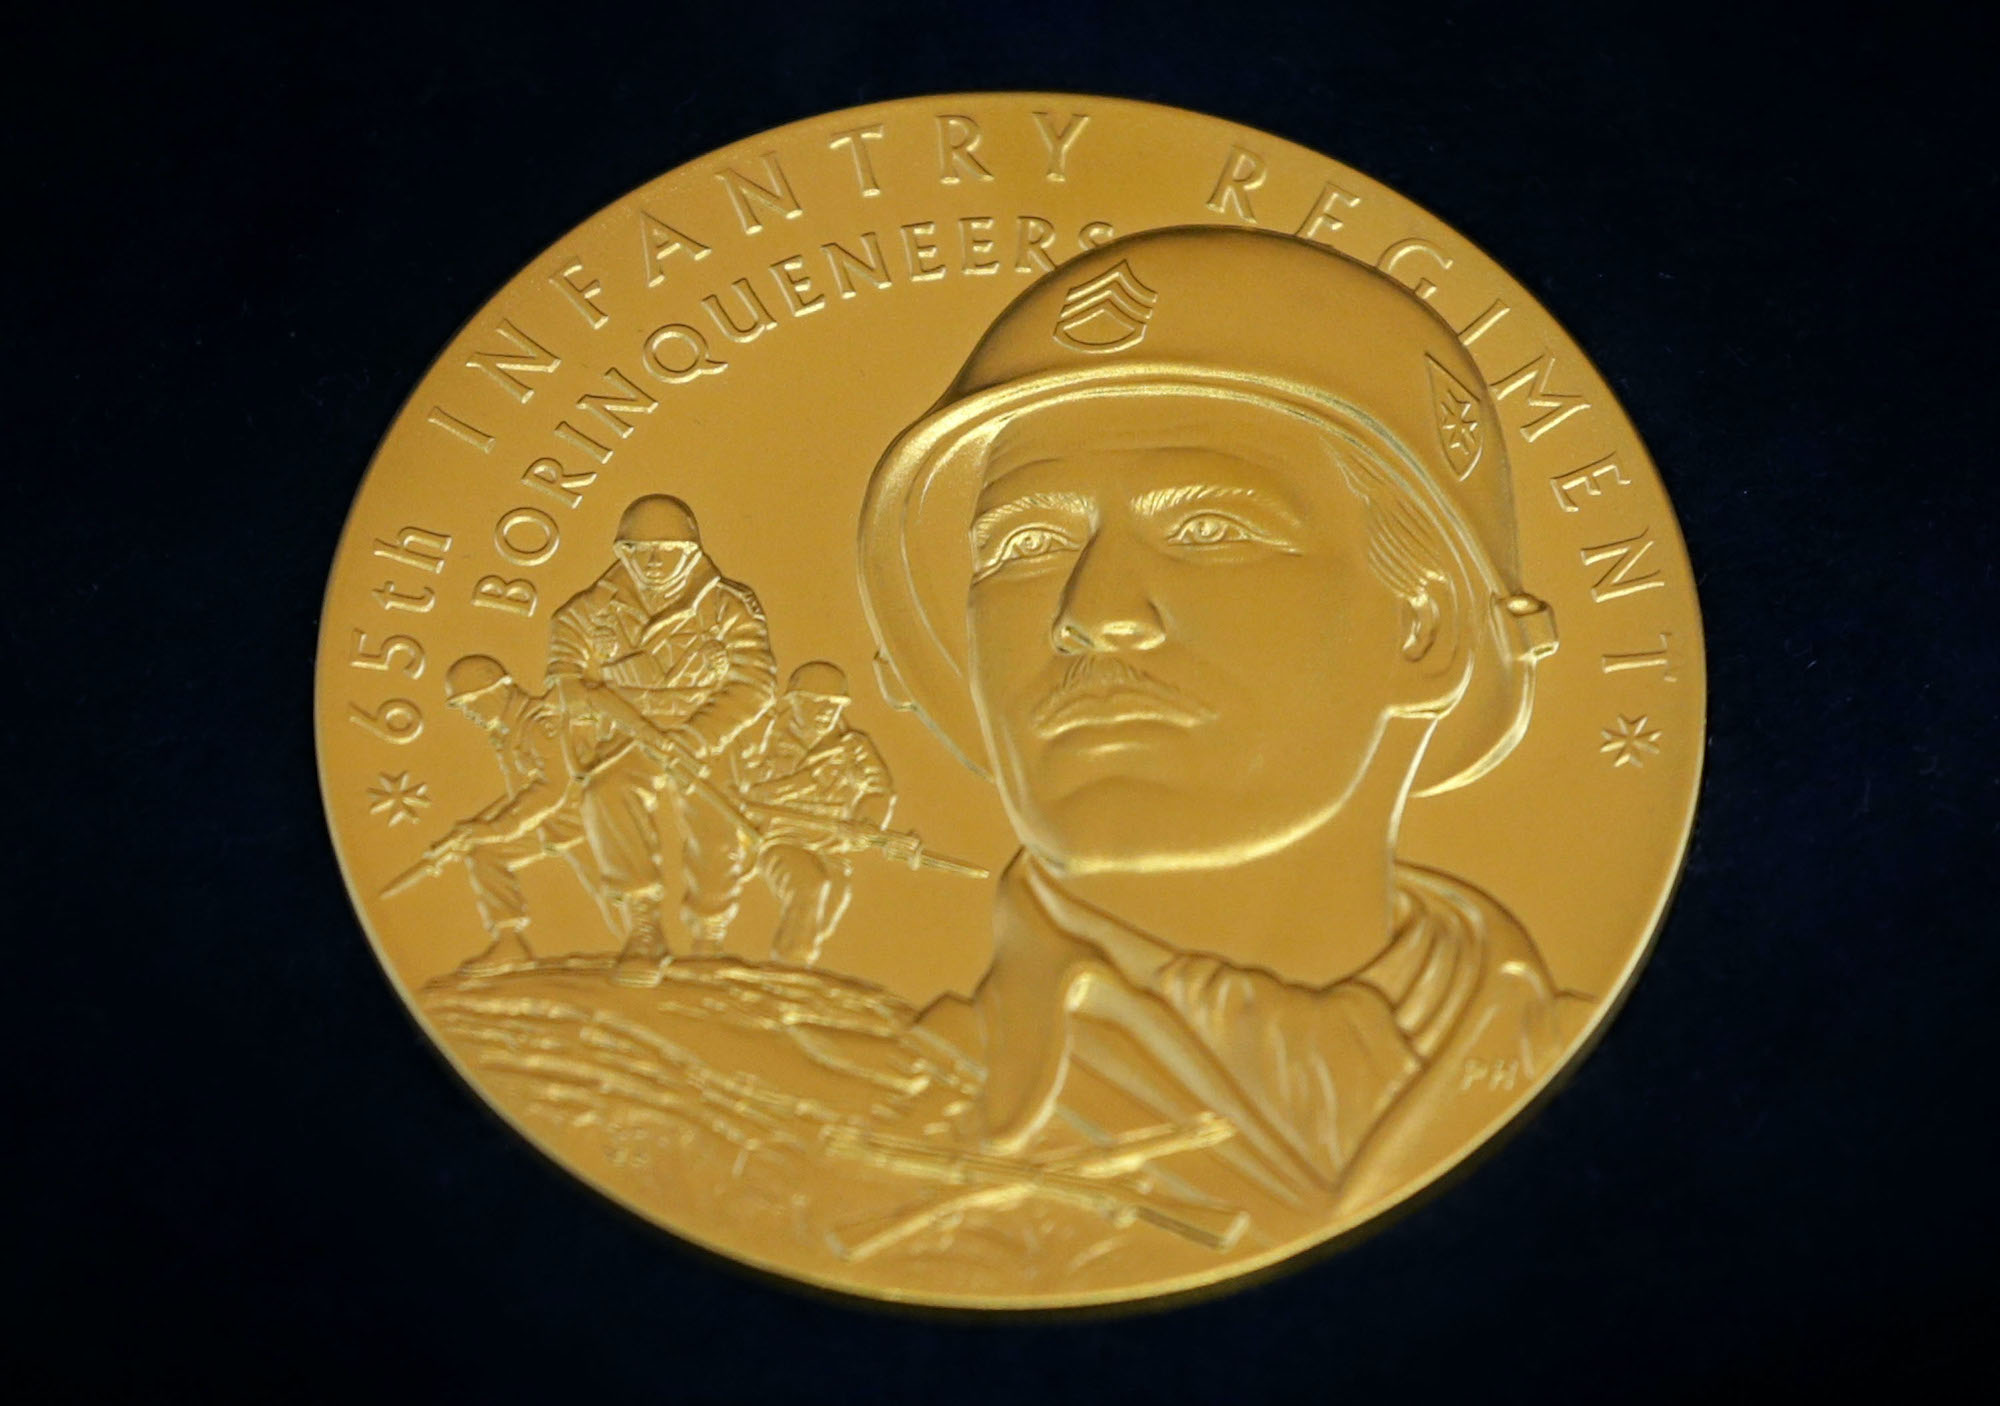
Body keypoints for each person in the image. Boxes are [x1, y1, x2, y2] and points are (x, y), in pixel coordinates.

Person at [858, 226, 1586, 1215]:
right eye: (1026, 542)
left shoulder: (1600, 1058)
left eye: (1208, 528)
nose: (1091, 611)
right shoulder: (812, 1107)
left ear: (1424, 626)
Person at [547, 494, 777, 980]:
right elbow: (564, 647)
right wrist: (570, 689)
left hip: (706, 733)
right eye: (639, 549)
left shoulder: (725, 606)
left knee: (714, 826)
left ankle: (710, 936)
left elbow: (755, 683)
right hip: (631, 731)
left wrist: (697, 737)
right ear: (623, 552)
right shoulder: (597, 606)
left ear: (690, 552)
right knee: (607, 793)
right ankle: (643, 925)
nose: (653, 561)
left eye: (667, 550)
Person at [426, 654, 596, 974]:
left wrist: (497, 828)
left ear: (497, 690)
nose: (467, 713)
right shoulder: (507, 731)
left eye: (468, 702)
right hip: (550, 822)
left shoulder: (539, 723)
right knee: (485, 851)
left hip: (584, 820)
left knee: (621, 903)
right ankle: (509, 944)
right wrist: (472, 830)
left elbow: (553, 788)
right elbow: (521, 792)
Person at [734, 661, 896, 967]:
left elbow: (880, 789)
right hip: (780, 839)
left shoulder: (854, 748)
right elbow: (746, 792)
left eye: (833, 705)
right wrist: (800, 784)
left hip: (831, 845)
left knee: (826, 908)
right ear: (794, 701)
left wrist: (867, 822)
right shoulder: (763, 739)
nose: (824, 712)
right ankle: (789, 969)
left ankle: (796, 968)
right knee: (808, 886)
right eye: (815, 703)